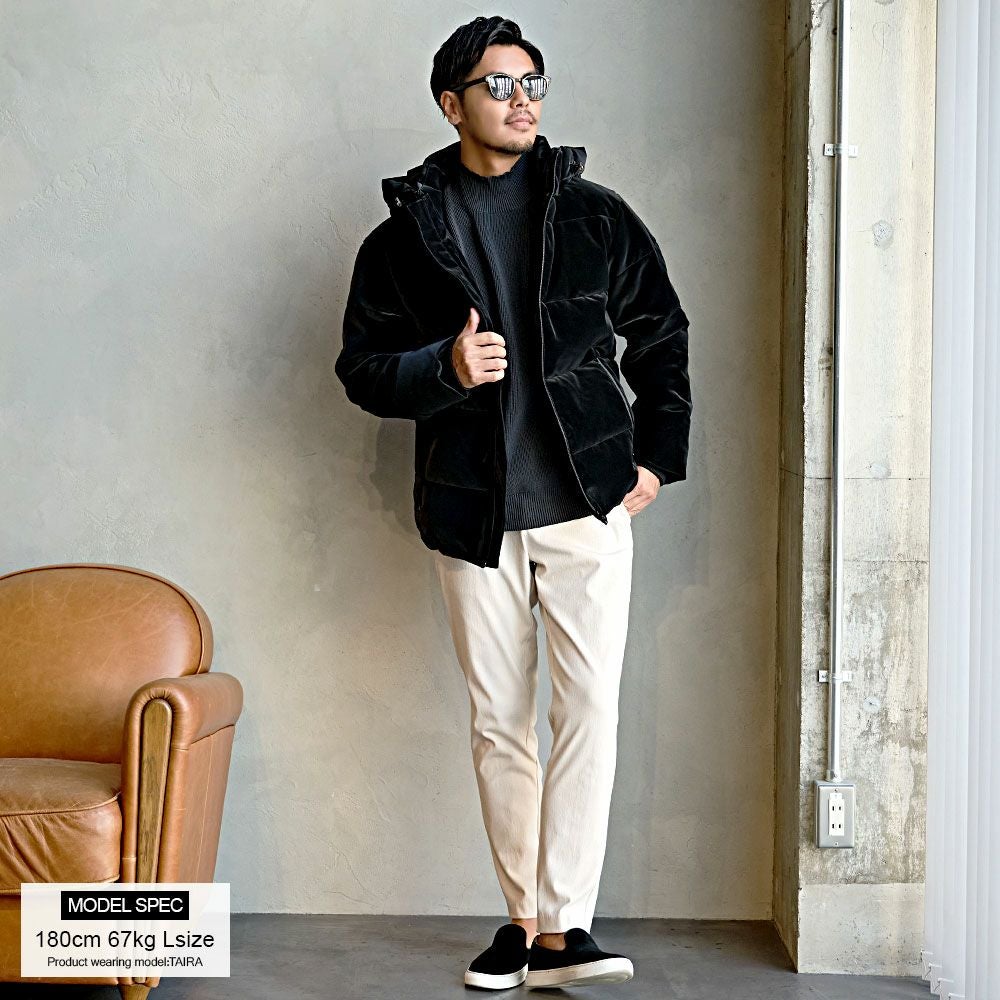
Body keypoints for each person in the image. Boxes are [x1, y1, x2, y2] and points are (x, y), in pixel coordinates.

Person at [336, 14, 691, 991]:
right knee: (500, 721)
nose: (522, 100)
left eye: (533, 82)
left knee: (589, 711)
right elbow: (361, 368)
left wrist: (653, 459)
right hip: (472, 512)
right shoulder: (403, 239)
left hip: (585, 502)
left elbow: (660, 330)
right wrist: (443, 368)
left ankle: (564, 930)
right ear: (451, 104)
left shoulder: (594, 217)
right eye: (498, 85)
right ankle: (525, 921)